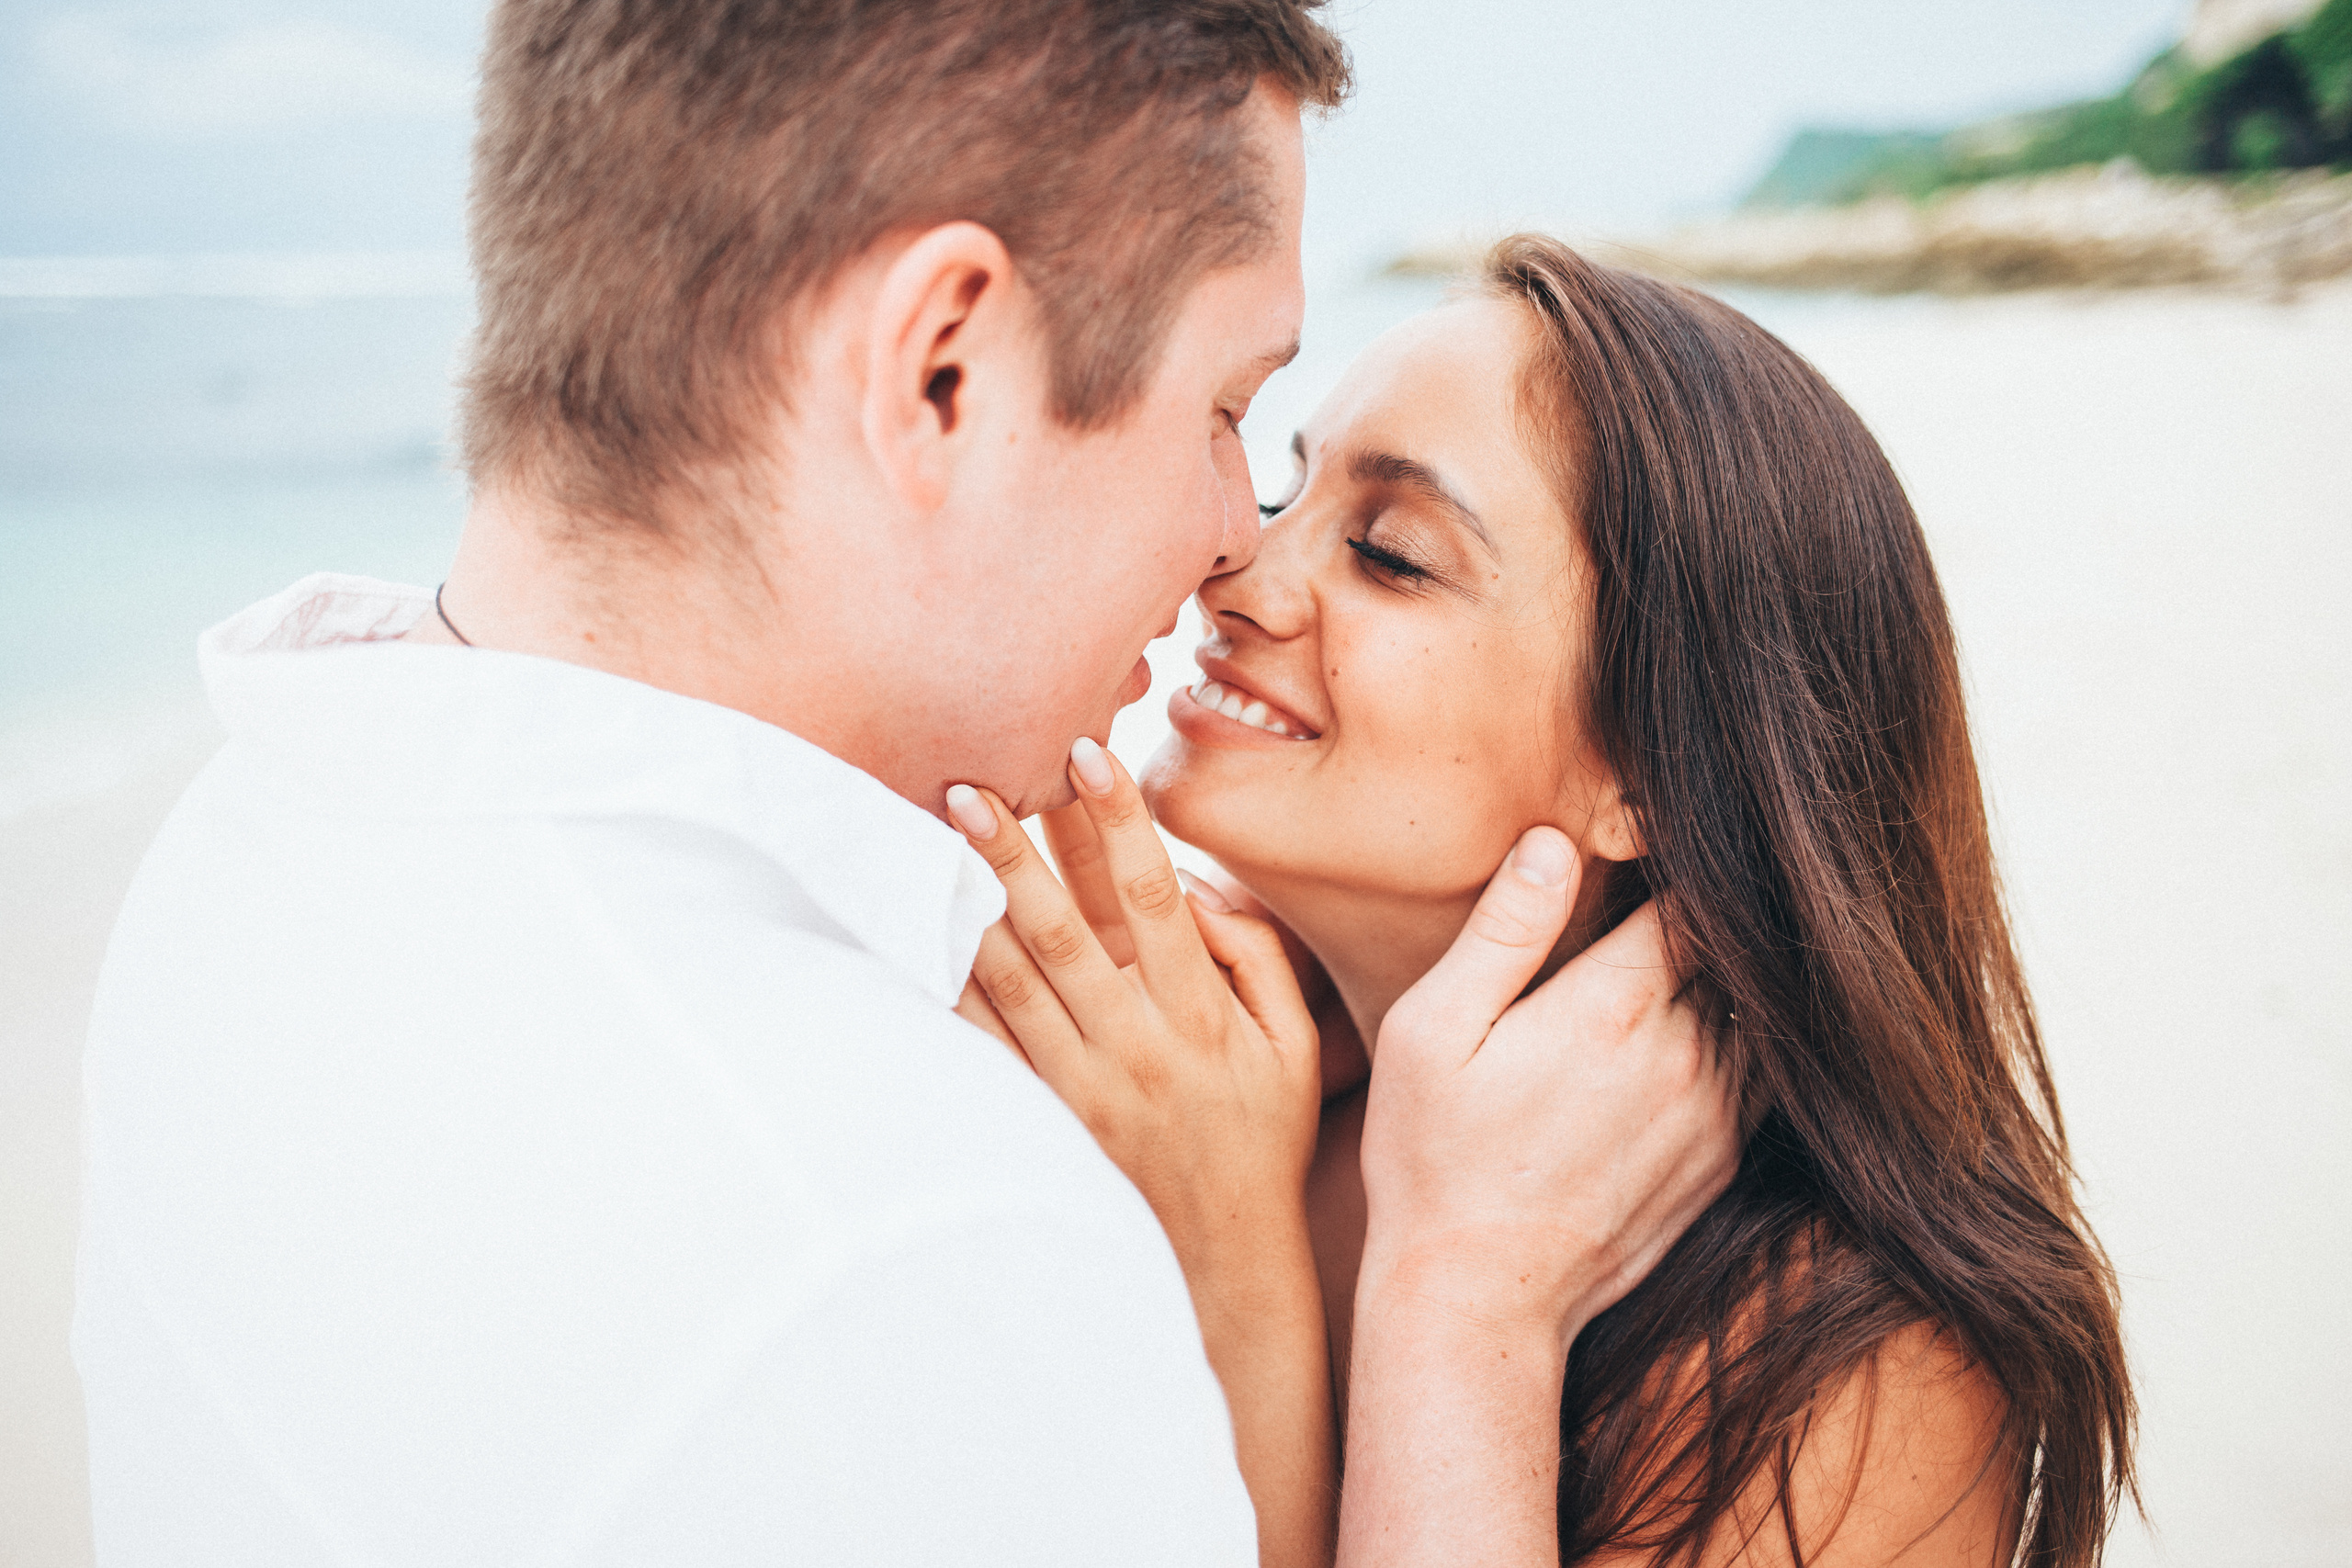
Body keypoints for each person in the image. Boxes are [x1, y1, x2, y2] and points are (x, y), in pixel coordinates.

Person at [74, 6, 1738, 1566]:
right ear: (943, 368)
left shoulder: (248, 843)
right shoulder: (916, 1239)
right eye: (1230, 410)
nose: (1236, 534)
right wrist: (1462, 1307)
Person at [953, 237, 2137, 1566]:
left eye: (1391, 555)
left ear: (1649, 767)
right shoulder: (1193, 1087)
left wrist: (1447, 1308)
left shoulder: (1854, 1357)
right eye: (1286, 494)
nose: (1240, 571)